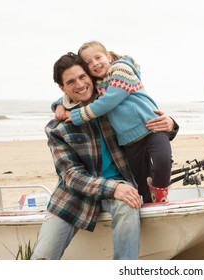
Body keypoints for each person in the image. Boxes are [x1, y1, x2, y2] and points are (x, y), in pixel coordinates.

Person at [31, 52, 177, 260]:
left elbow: (144, 124)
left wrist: (170, 123)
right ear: (62, 89)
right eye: (71, 82)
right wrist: (112, 187)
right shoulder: (57, 128)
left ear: (91, 76)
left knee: (129, 204)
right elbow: (71, 176)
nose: (80, 84)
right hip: (74, 196)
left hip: (123, 188)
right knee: (42, 258)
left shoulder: (112, 105)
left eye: (83, 77)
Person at [55, 41, 173, 203]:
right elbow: (75, 91)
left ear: (108, 57)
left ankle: (160, 198)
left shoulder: (122, 70)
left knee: (162, 161)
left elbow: (109, 101)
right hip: (129, 141)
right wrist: (59, 104)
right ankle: (148, 203)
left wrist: (77, 115)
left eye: (98, 57)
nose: (95, 63)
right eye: (89, 63)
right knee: (140, 180)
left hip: (152, 127)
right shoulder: (99, 84)